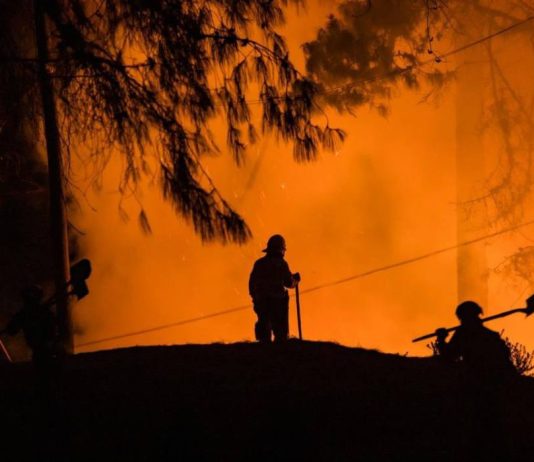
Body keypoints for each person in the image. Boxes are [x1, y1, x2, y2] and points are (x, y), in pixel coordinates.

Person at [435, 301, 516, 378]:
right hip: (499, 376)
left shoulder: (464, 333)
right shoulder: (492, 335)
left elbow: (449, 355)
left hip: (480, 378)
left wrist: (441, 339)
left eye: (462, 318)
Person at [249, 234, 300, 343]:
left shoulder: (259, 264)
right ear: (281, 249)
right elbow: (289, 282)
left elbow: (251, 284)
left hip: (262, 302)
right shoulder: (281, 264)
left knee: (264, 331)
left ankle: (264, 353)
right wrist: (295, 280)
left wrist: (256, 299)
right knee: (281, 335)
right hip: (278, 304)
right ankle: (279, 356)